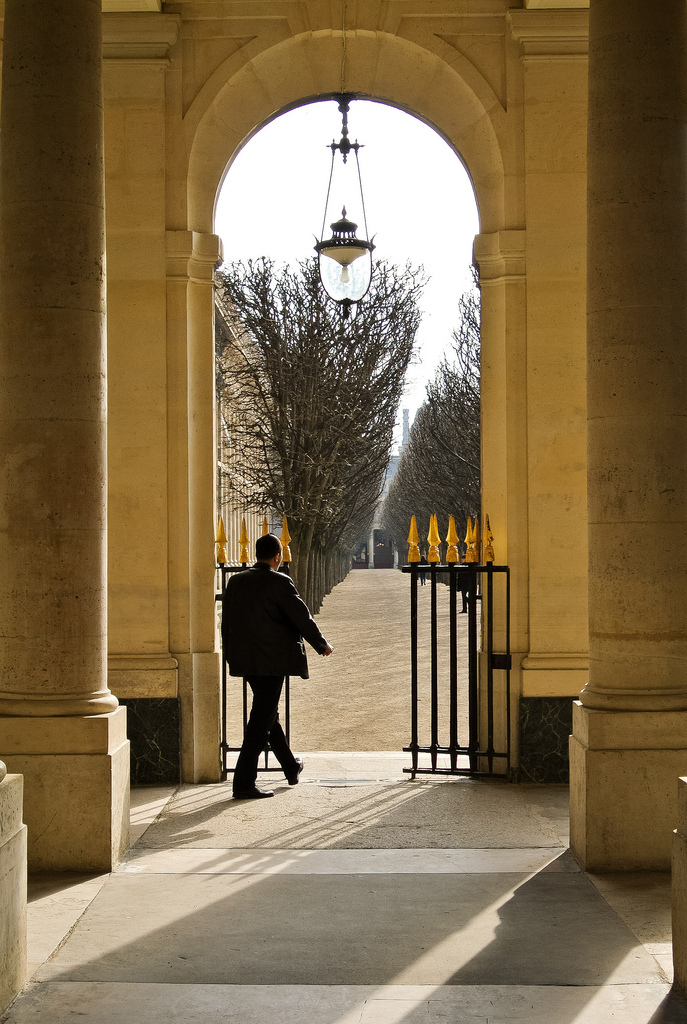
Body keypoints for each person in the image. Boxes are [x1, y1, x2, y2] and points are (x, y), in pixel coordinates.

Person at [222, 533, 333, 799]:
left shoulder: (235, 582)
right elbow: (300, 616)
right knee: (260, 721)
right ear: (277, 556)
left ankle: (290, 766)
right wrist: (321, 644)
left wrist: (231, 655)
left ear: (255, 554)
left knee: (266, 714)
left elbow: (227, 622)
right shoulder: (280, 581)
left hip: (246, 660)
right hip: (272, 662)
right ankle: (244, 783)